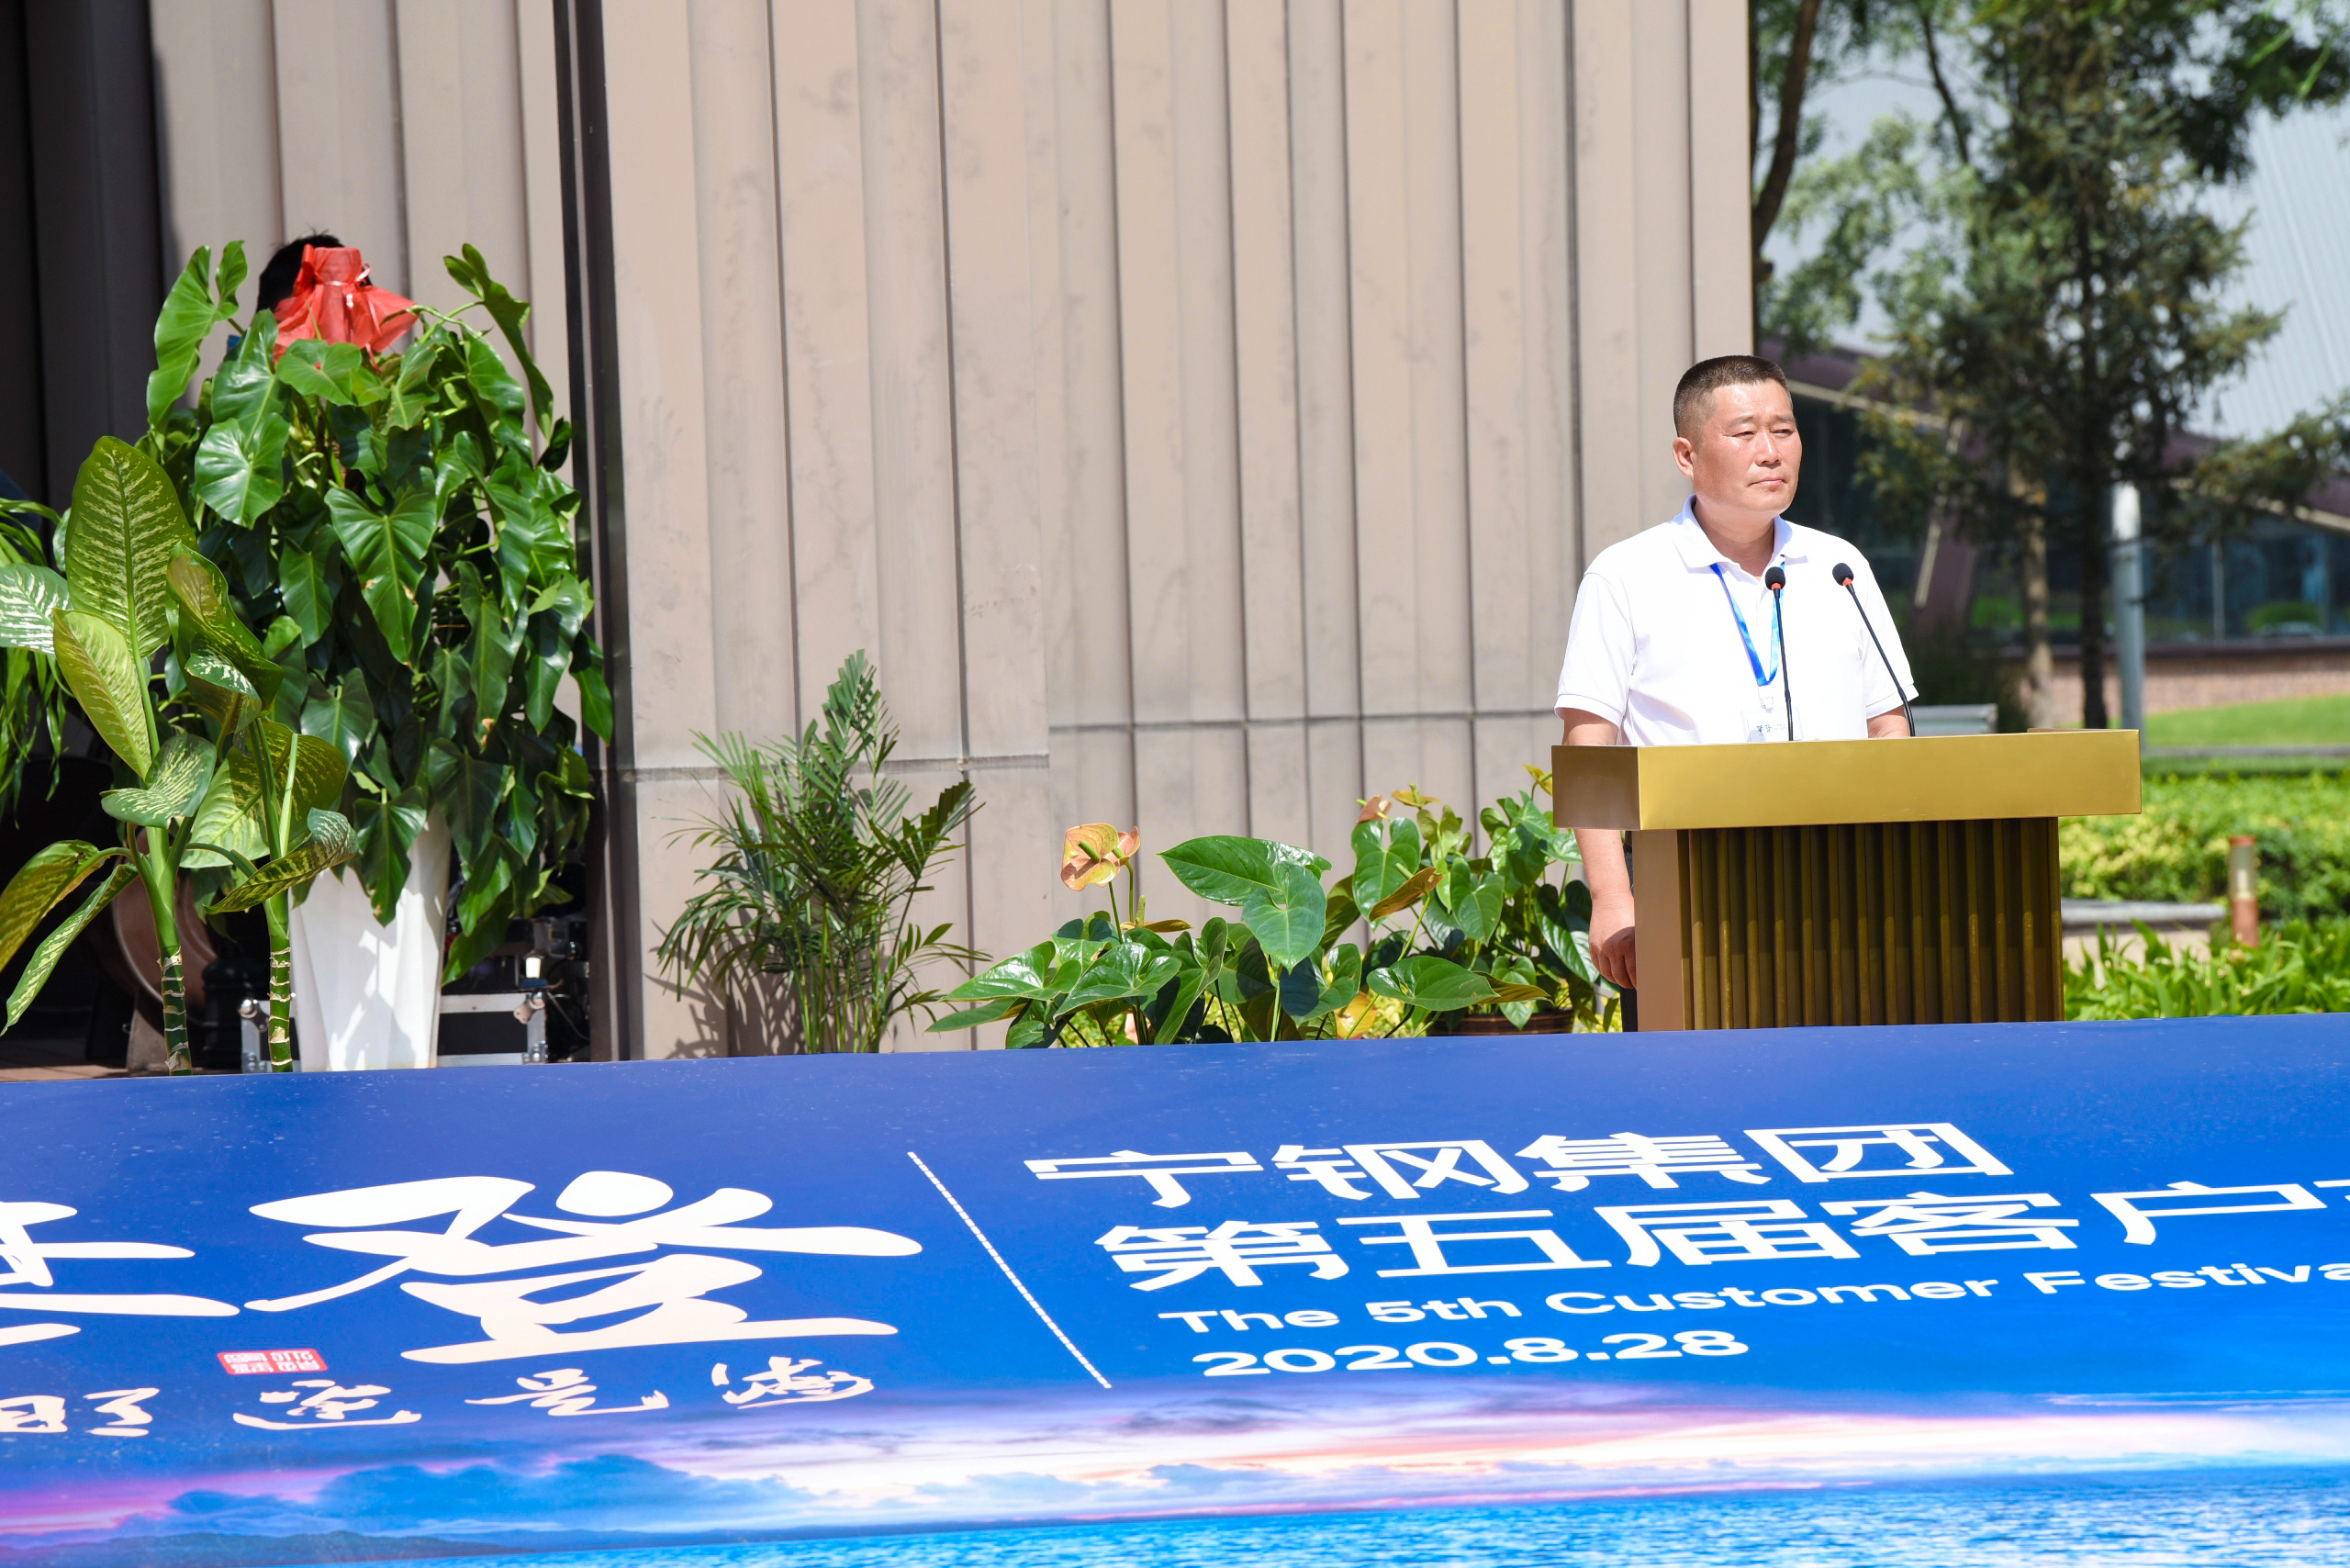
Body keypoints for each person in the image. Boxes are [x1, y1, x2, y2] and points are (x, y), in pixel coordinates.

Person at [1555, 354, 1916, 1005]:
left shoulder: (1839, 567)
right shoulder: (1626, 575)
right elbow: (1589, 747)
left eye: (1785, 430)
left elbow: (1888, 725)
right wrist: (1612, 896)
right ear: (1686, 456)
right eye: (1745, 433)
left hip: (1840, 877)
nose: (1770, 452)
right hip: (1685, 880)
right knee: (1693, 1065)